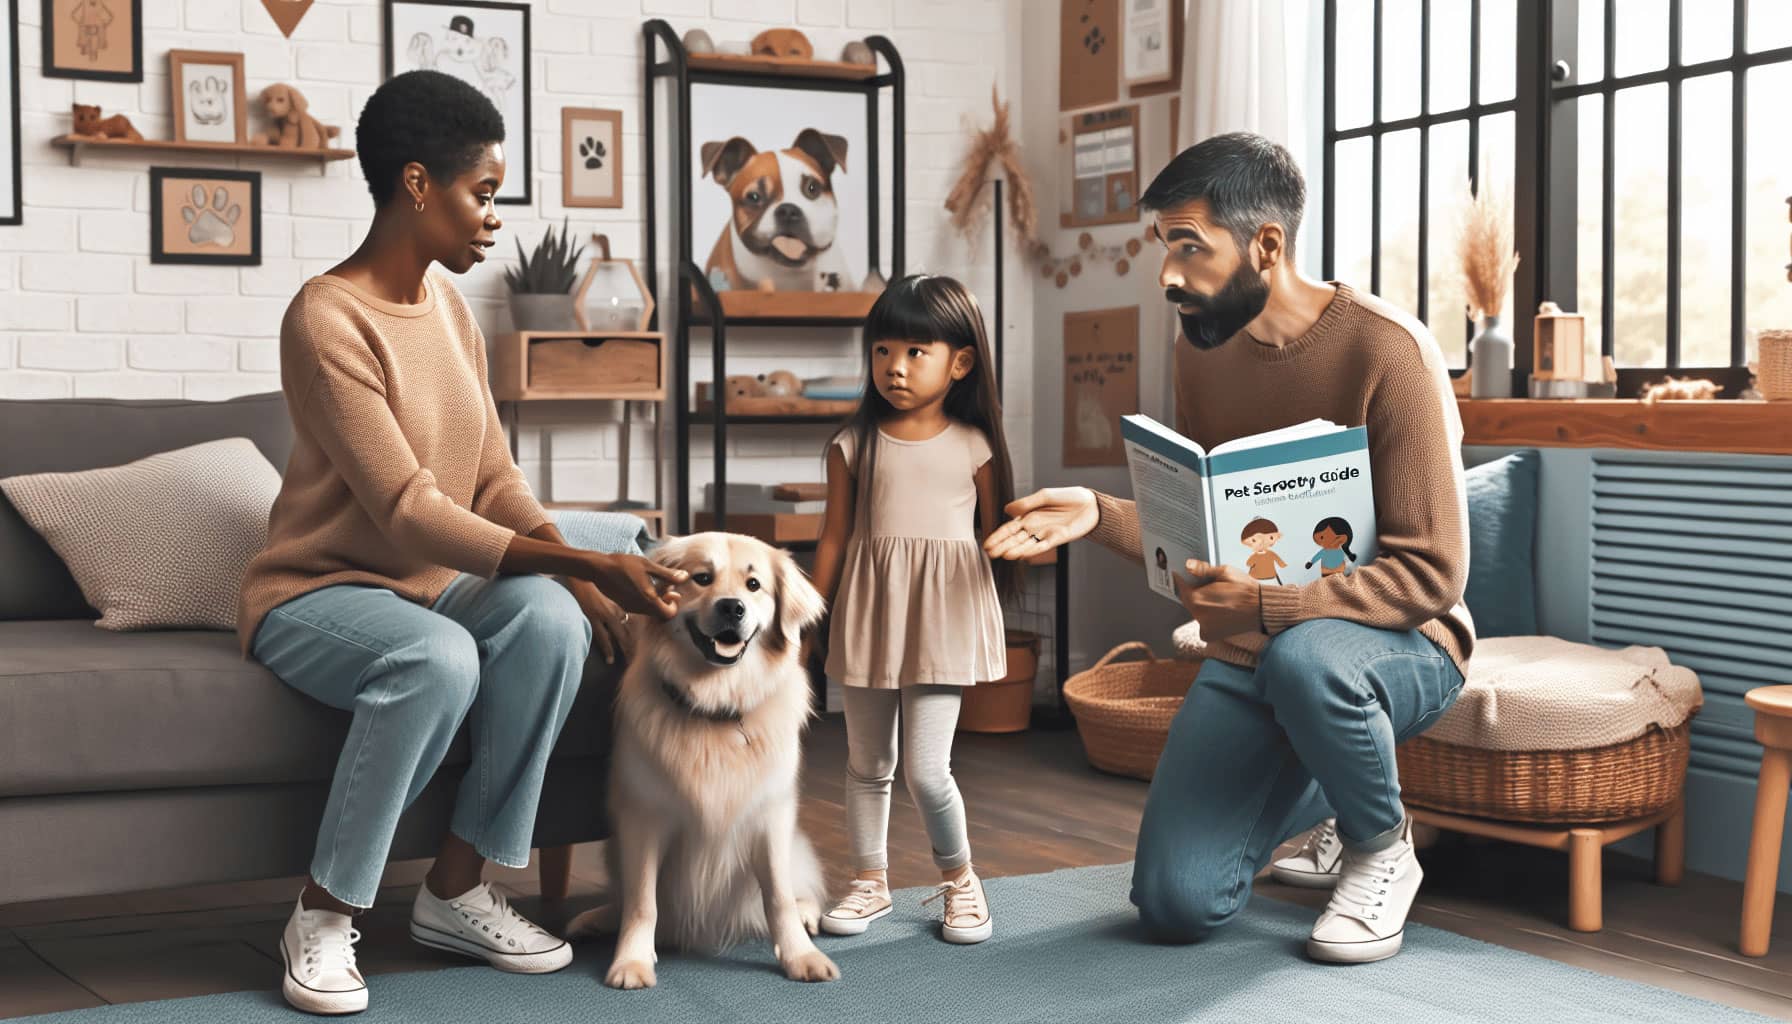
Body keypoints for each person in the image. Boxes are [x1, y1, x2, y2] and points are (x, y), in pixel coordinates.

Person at [236, 70, 685, 1015]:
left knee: (552, 625)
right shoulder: (328, 318)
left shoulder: (450, 312)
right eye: (482, 192)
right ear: (415, 185)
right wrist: (587, 561)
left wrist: (585, 583)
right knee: (438, 658)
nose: (493, 217)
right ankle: (321, 915)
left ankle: (456, 888)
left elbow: (494, 479)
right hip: (317, 593)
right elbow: (407, 509)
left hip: (429, 581)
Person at [985, 132, 1473, 965]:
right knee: (1175, 904)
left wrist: (1269, 606)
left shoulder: (1388, 349)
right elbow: (1208, 539)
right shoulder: (1200, 351)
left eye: (1189, 246)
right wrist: (1097, 512)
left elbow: (1432, 572)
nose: (1168, 275)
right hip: (1261, 650)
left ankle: (1383, 845)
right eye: (1163, 247)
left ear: (1267, 245)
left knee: (1308, 661)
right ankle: (1330, 799)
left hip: (1405, 647)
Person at [808, 274, 1018, 946]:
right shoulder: (853, 445)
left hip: (940, 618)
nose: (894, 368)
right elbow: (835, 536)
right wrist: (807, 612)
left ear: (960, 362)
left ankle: (961, 881)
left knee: (928, 770)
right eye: (882, 350)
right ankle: (869, 882)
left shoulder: (975, 446)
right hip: (870, 613)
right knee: (867, 764)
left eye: (915, 352)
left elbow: (997, 536)